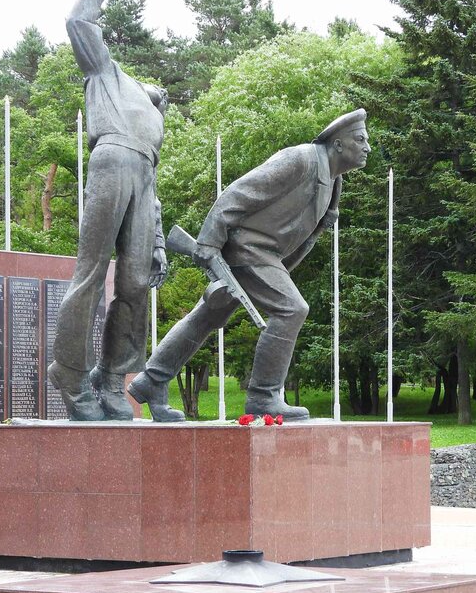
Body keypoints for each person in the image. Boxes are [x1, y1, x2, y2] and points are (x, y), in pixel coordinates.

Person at [128, 109, 371, 422]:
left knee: (207, 316)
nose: (367, 147)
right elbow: (241, 191)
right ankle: (264, 396)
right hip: (247, 248)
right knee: (292, 309)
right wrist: (209, 241)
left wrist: (284, 269)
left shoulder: (335, 183)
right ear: (338, 144)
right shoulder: (301, 159)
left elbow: (305, 237)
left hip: (266, 255)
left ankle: (151, 380)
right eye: (360, 140)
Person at [47, 0, 168, 421]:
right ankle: (71, 375)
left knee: (136, 283)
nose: (162, 93)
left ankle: (113, 378)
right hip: (111, 159)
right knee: (92, 272)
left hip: (142, 173)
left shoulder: (155, 116)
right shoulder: (108, 73)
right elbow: (78, 21)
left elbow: (153, 188)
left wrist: (158, 242)